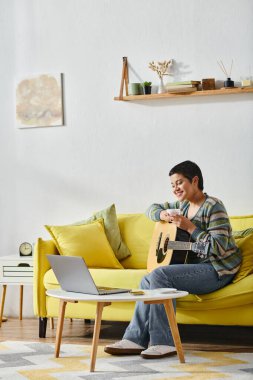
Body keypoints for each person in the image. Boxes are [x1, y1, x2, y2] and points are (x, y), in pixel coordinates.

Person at [104, 160, 241, 359]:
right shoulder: (182, 206)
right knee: (147, 280)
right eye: (172, 185)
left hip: (217, 269)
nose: (175, 188)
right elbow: (151, 208)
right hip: (195, 267)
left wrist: (190, 228)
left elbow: (218, 248)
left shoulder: (214, 206)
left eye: (179, 183)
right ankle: (134, 339)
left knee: (159, 275)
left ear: (195, 181)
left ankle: (164, 342)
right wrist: (162, 213)